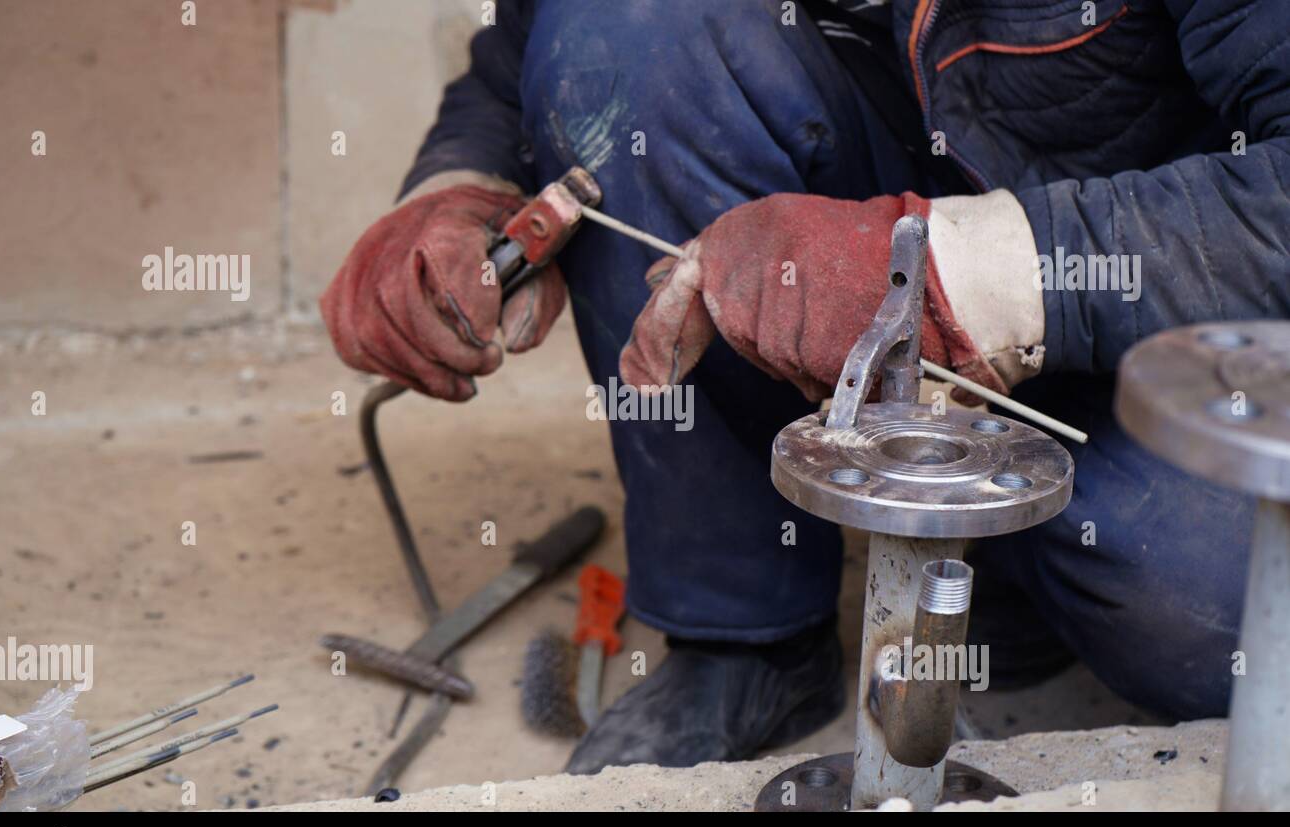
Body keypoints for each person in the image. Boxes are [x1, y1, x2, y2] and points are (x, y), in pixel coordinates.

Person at [320, 0, 1289, 774]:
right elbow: (529, 45)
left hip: (1154, 329)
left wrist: (954, 270)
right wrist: (462, 188)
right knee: (630, 21)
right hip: (865, 225)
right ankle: (744, 634)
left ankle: (1008, 565)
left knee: (1219, 621)